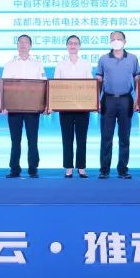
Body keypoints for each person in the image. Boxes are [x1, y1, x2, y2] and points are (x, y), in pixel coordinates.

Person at [95, 30, 140, 179]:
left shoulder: (133, 59)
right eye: (113, 39)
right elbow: (99, 81)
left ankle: (123, 170)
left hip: (126, 99)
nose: (116, 41)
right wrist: (97, 100)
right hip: (108, 100)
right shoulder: (103, 59)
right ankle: (104, 170)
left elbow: (137, 80)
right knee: (106, 136)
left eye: (119, 38)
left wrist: (137, 99)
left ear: (124, 41)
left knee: (124, 137)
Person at [2, 34, 47, 178]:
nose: (23, 44)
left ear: (30, 46)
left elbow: (43, 85)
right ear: (17, 45)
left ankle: (33, 169)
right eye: (20, 42)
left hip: (32, 108)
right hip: (14, 107)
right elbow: (4, 86)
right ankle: (14, 169)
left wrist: (44, 104)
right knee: (15, 140)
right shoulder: (10, 64)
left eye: (26, 42)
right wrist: (3, 105)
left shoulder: (37, 63)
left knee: (32, 139)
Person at [53, 34, 93, 178]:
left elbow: (90, 85)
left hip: (83, 106)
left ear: (79, 46)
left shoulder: (86, 64)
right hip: (65, 107)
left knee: (82, 138)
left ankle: (81, 167)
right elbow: (56, 85)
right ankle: (69, 167)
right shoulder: (60, 64)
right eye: (70, 43)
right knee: (67, 138)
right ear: (67, 46)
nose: (73, 45)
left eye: (76, 43)